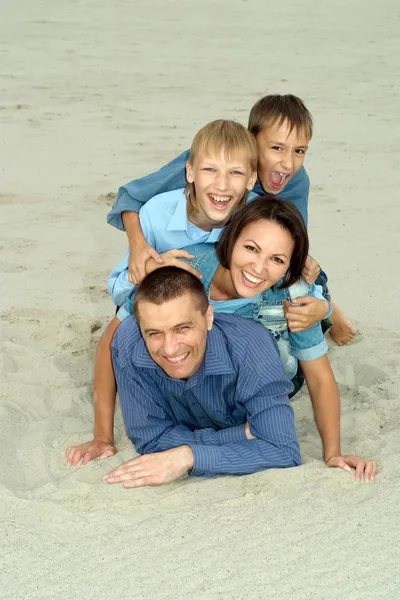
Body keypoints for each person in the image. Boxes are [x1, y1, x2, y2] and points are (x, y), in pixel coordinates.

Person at [66, 199, 376, 483]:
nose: (258, 268)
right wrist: (102, 436)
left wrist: (332, 452)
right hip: (208, 353)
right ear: (229, 240)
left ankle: (330, 308)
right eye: (251, 249)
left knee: (313, 295)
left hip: (276, 360)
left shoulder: (291, 298)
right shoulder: (189, 269)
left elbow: (319, 380)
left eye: (277, 259)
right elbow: (114, 342)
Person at [107, 93, 355, 345]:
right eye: (276, 147)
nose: (287, 163)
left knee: (304, 264)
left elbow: (293, 247)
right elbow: (131, 198)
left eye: (299, 151)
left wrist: (323, 306)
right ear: (251, 141)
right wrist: (139, 246)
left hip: (256, 254)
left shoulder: (296, 181)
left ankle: (331, 309)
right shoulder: (208, 160)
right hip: (203, 259)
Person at [100, 266, 302, 488]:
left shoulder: (252, 347)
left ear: (208, 317)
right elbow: (151, 438)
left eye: (181, 328)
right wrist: (239, 434)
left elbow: (283, 451)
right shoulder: (129, 343)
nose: (169, 348)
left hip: (284, 355)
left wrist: (189, 457)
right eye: (154, 333)